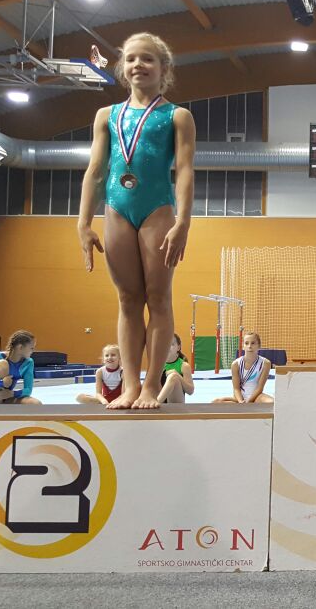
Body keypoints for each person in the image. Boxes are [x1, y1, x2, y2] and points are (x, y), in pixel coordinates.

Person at [78, 33, 196, 409]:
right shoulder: (107, 116)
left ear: (164, 68)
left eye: (147, 59)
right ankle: (130, 386)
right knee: (128, 299)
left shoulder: (177, 116)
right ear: (122, 67)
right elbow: (96, 171)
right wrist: (83, 223)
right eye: (130, 59)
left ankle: (149, 386)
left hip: (157, 210)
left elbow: (185, 170)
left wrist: (183, 222)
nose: (137, 65)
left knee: (158, 297)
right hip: (117, 209)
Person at [0, 330, 41, 405]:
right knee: (3, 364)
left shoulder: (28, 362)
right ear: (20, 347)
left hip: (5, 396)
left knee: (35, 404)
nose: (33, 351)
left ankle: (0, 407)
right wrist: (1, 382)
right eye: (31, 348)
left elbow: (28, 390)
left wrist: (11, 393)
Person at [214, 332, 272, 404]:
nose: (249, 346)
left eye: (253, 343)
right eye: (246, 343)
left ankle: (246, 406)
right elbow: (236, 389)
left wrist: (249, 401)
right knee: (216, 402)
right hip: (239, 397)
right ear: (243, 346)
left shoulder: (265, 363)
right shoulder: (236, 364)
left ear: (259, 345)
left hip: (256, 397)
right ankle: (243, 406)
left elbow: (260, 388)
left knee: (271, 402)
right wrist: (241, 401)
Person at [159, 333, 194, 404]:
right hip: (162, 401)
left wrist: (178, 376)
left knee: (173, 376)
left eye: (171, 344)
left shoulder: (184, 366)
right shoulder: (157, 364)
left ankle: (157, 403)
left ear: (178, 347)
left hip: (175, 402)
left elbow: (190, 391)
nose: (167, 347)